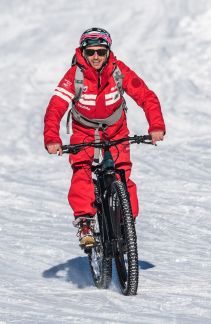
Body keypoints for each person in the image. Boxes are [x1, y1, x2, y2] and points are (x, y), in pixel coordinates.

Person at [43, 28, 165, 247]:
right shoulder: (74, 76)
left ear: (108, 51)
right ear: (83, 52)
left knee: (122, 178)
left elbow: (146, 96)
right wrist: (52, 138)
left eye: (101, 51)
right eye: (91, 52)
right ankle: (85, 223)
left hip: (116, 130)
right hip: (84, 132)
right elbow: (56, 108)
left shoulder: (119, 71)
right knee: (81, 170)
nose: (96, 56)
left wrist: (156, 126)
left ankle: (126, 223)